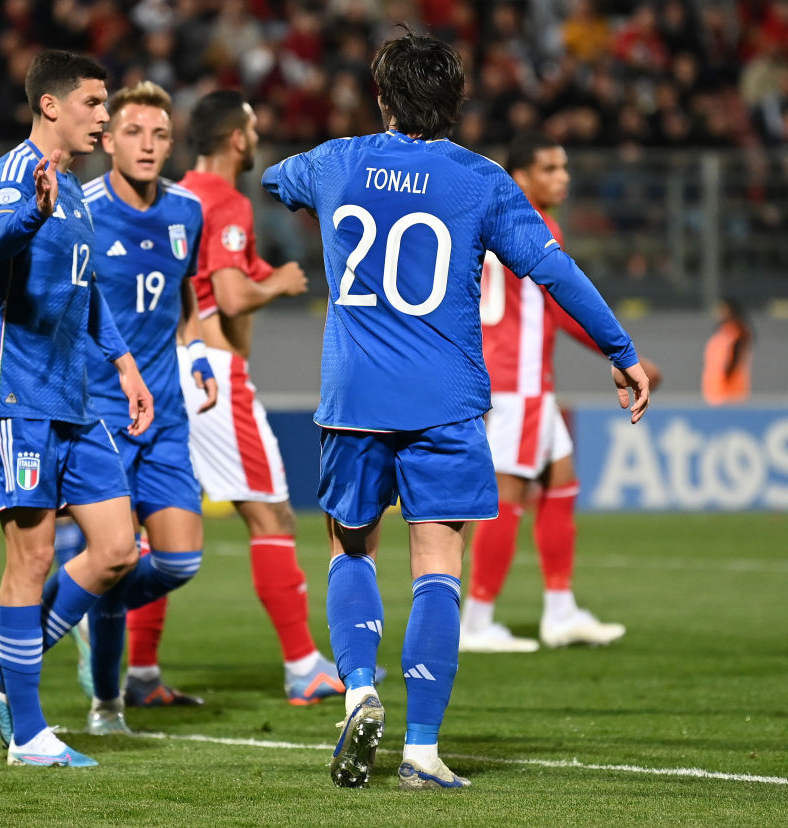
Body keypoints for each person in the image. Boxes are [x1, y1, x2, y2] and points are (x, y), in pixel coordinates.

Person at [262, 28, 649, 790]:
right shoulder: (481, 181)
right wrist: (620, 348)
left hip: (355, 397)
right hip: (445, 401)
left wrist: (329, 198)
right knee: (438, 565)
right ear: (456, 103)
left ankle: (359, 689)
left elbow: (277, 179)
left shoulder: (337, 161)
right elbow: (554, 270)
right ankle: (422, 750)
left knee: (350, 549)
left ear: (382, 97)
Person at [0, 49, 154, 768]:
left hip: (75, 399)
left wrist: (125, 366)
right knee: (33, 555)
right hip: (17, 396)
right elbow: (0, 240)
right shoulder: (15, 173)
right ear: (50, 105)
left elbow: (87, 289)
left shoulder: (72, 189)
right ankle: (30, 735)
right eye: (94, 103)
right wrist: (33, 214)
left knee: (117, 549)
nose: (104, 116)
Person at [136, 88, 348, 706]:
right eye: (253, 129)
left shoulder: (172, 196)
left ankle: (140, 675)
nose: (257, 139)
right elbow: (228, 296)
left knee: (159, 529)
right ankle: (303, 668)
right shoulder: (225, 200)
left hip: (163, 369)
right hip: (214, 377)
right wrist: (278, 281)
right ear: (236, 138)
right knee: (271, 517)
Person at [50, 80, 218, 733]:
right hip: (100, 412)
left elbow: (186, 293)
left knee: (179, 560)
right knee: (113, 552)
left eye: (160, 135)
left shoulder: (187, 211)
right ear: (109, 141)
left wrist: (196, 352)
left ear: (172, 145)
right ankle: (105, 703)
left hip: (166, 413)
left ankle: (96, 599)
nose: (147, 145)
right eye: (133, 133)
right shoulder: (82, 211)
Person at [459, 131, 661, 653]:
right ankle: (476, 620)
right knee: (508, 496)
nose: (563, 177)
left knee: (561, 483)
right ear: (520, 176)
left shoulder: (484, 218)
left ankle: (560, 610)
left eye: (564, 167)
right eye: (550, 168)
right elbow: (564, 304)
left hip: (521, 383)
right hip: (517, 382)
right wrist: (623, 356)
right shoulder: (533, 225)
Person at [702, 296, 752, 405]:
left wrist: (727, 376)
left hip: (730, 391)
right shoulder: (723, 332)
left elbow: (735, 359)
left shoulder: (738, 332)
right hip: (716, 391)